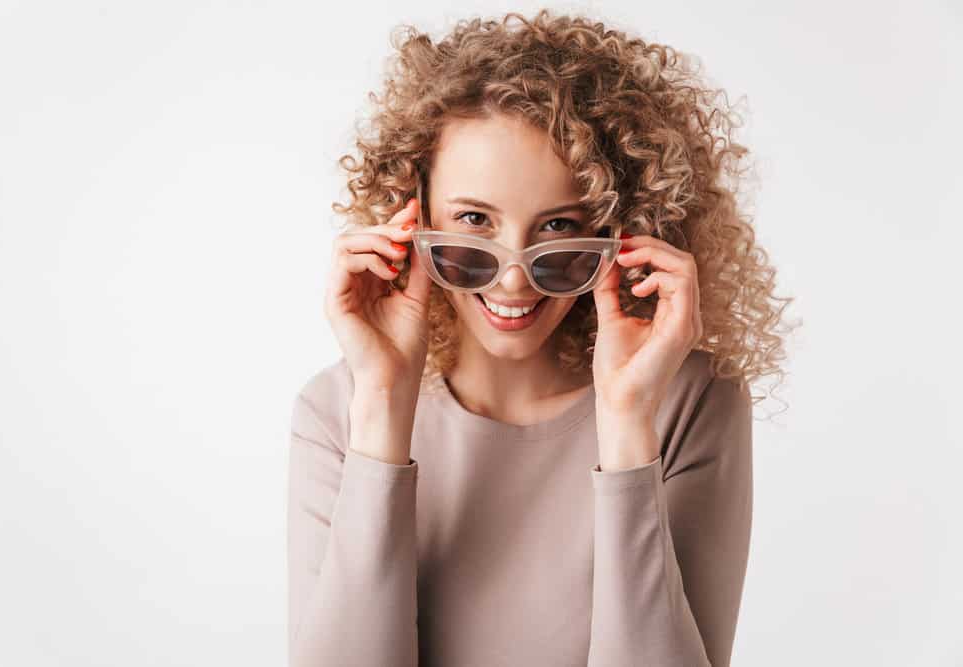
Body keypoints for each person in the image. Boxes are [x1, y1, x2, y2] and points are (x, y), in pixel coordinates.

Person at [288, 9, 794, 667]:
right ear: (413, 212)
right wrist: (383, 407)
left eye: (558, 228)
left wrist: (627, 426)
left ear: (623, 228)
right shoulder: (337, 412)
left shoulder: (689, 401)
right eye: (473, 220)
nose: (512, 277)